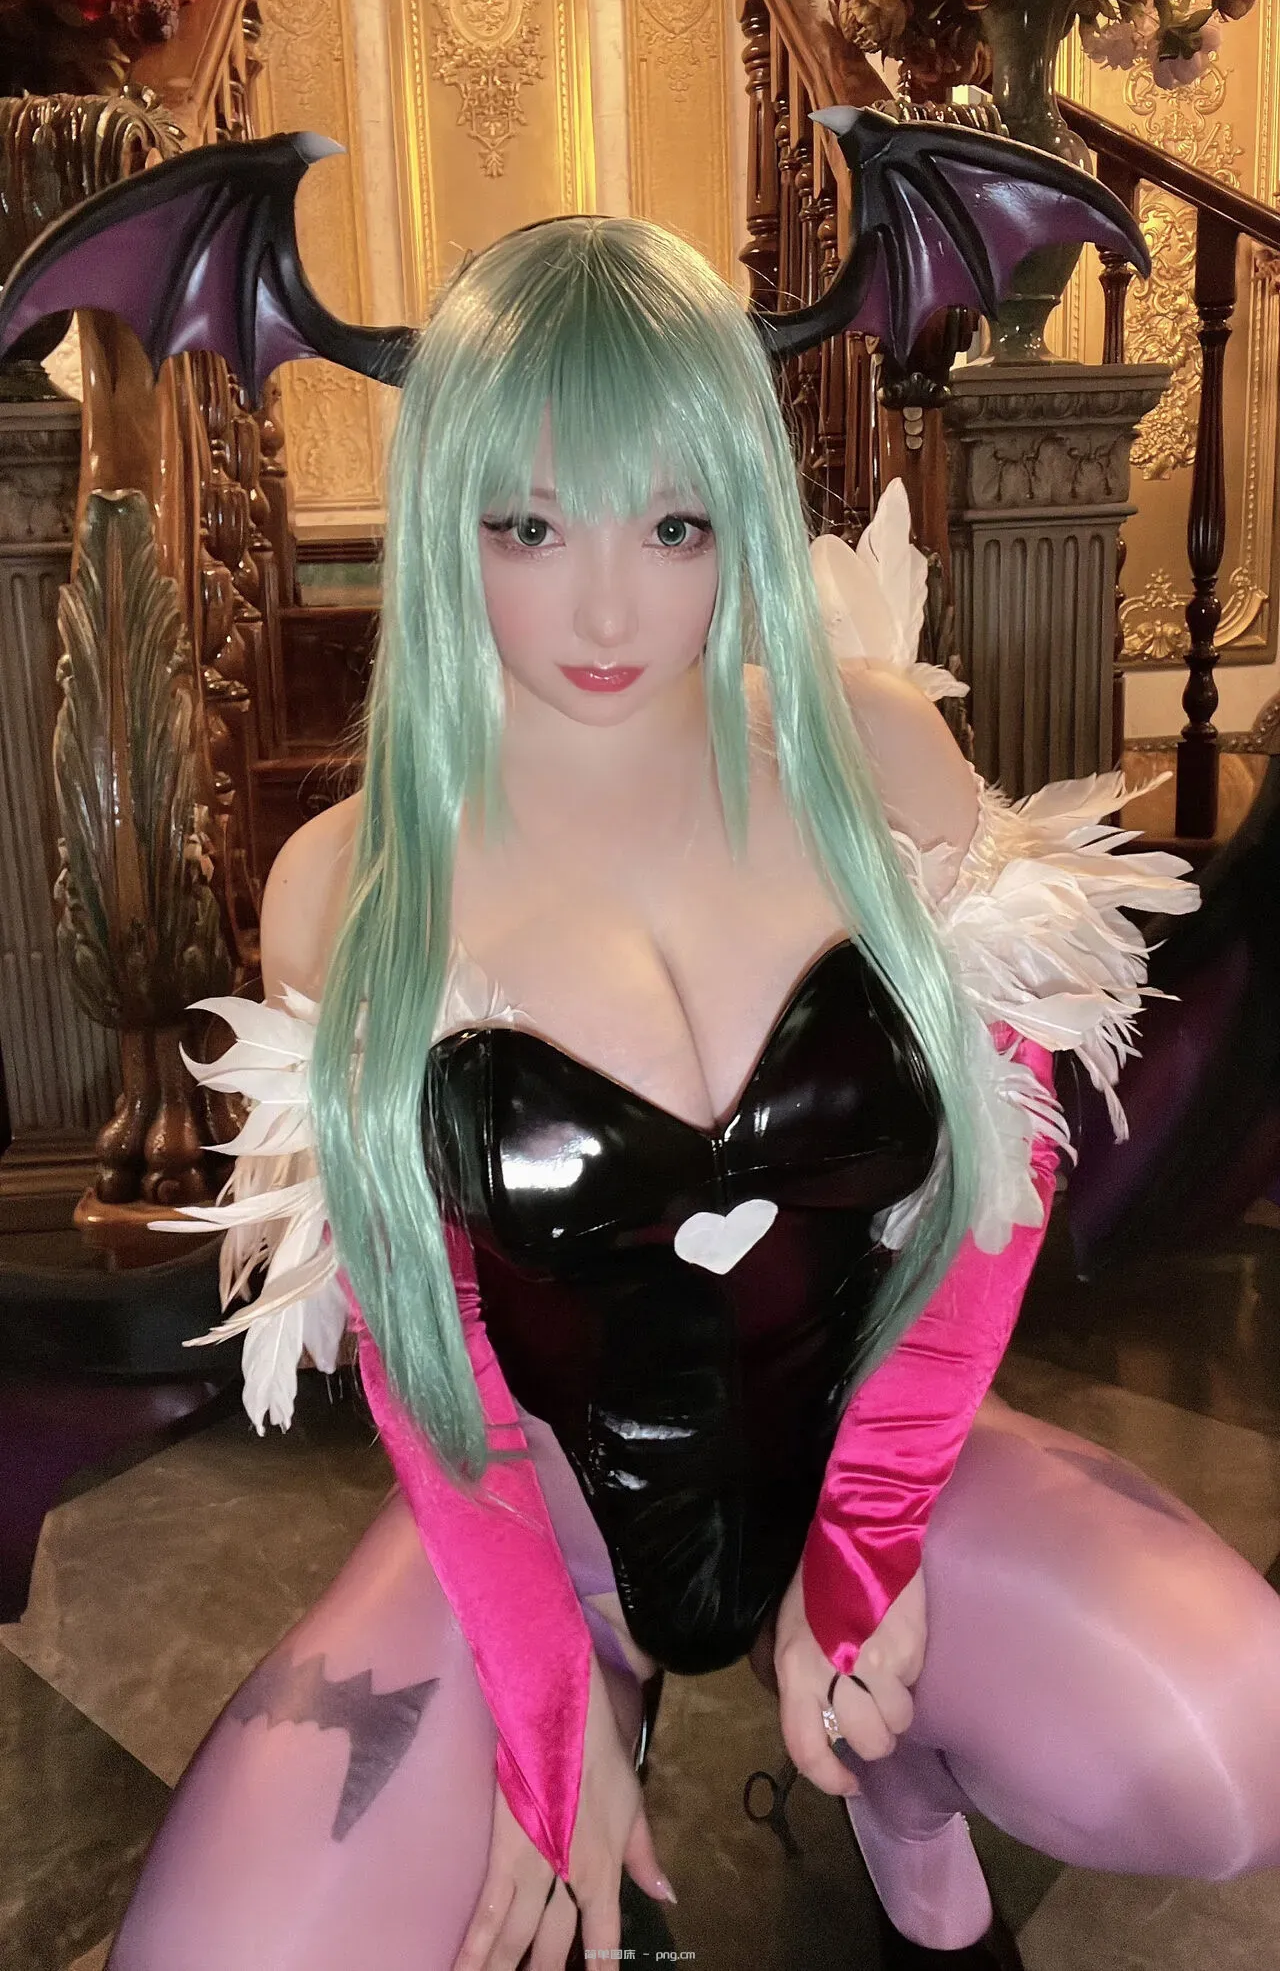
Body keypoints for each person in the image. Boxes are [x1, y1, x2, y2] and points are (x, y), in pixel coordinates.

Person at [110, 215, 1280, 1971]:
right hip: (543, 1529)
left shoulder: (872, 754)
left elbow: (997, 1180)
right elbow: (431, 1352)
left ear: (743, 505)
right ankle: (617, 1710)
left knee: (1235, 1745)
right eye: (529, 527)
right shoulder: (348, 887)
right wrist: (542, 1694)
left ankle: (901, 1782)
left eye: (675, 527)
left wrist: (870, 1543)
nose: (607, 611)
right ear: (445, 525)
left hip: (868, 1460)